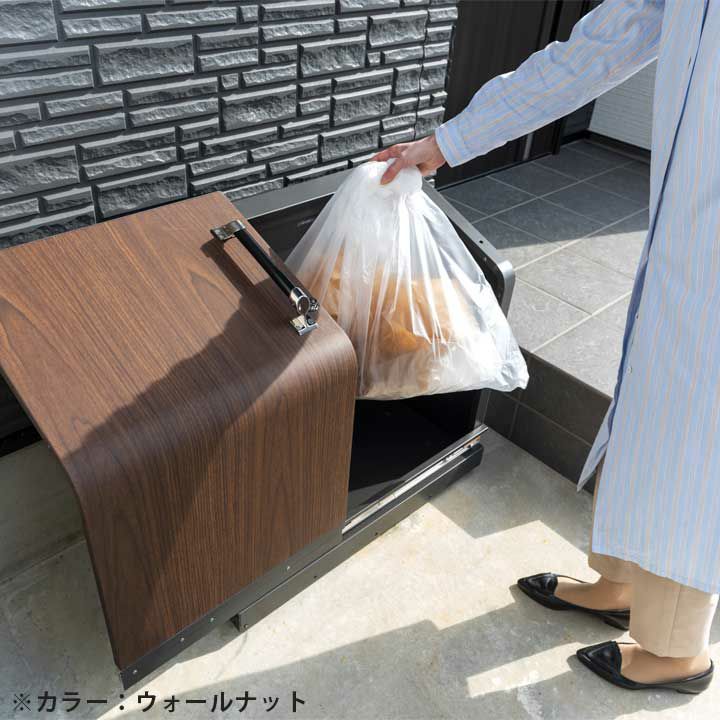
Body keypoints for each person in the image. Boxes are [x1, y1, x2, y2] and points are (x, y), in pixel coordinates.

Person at [373, 0, 718, 695]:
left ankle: (678, 649)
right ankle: (622, 584)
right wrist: (451, 140)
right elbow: (600, 44)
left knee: (699, 430)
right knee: (656, 390)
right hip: (687, 221)